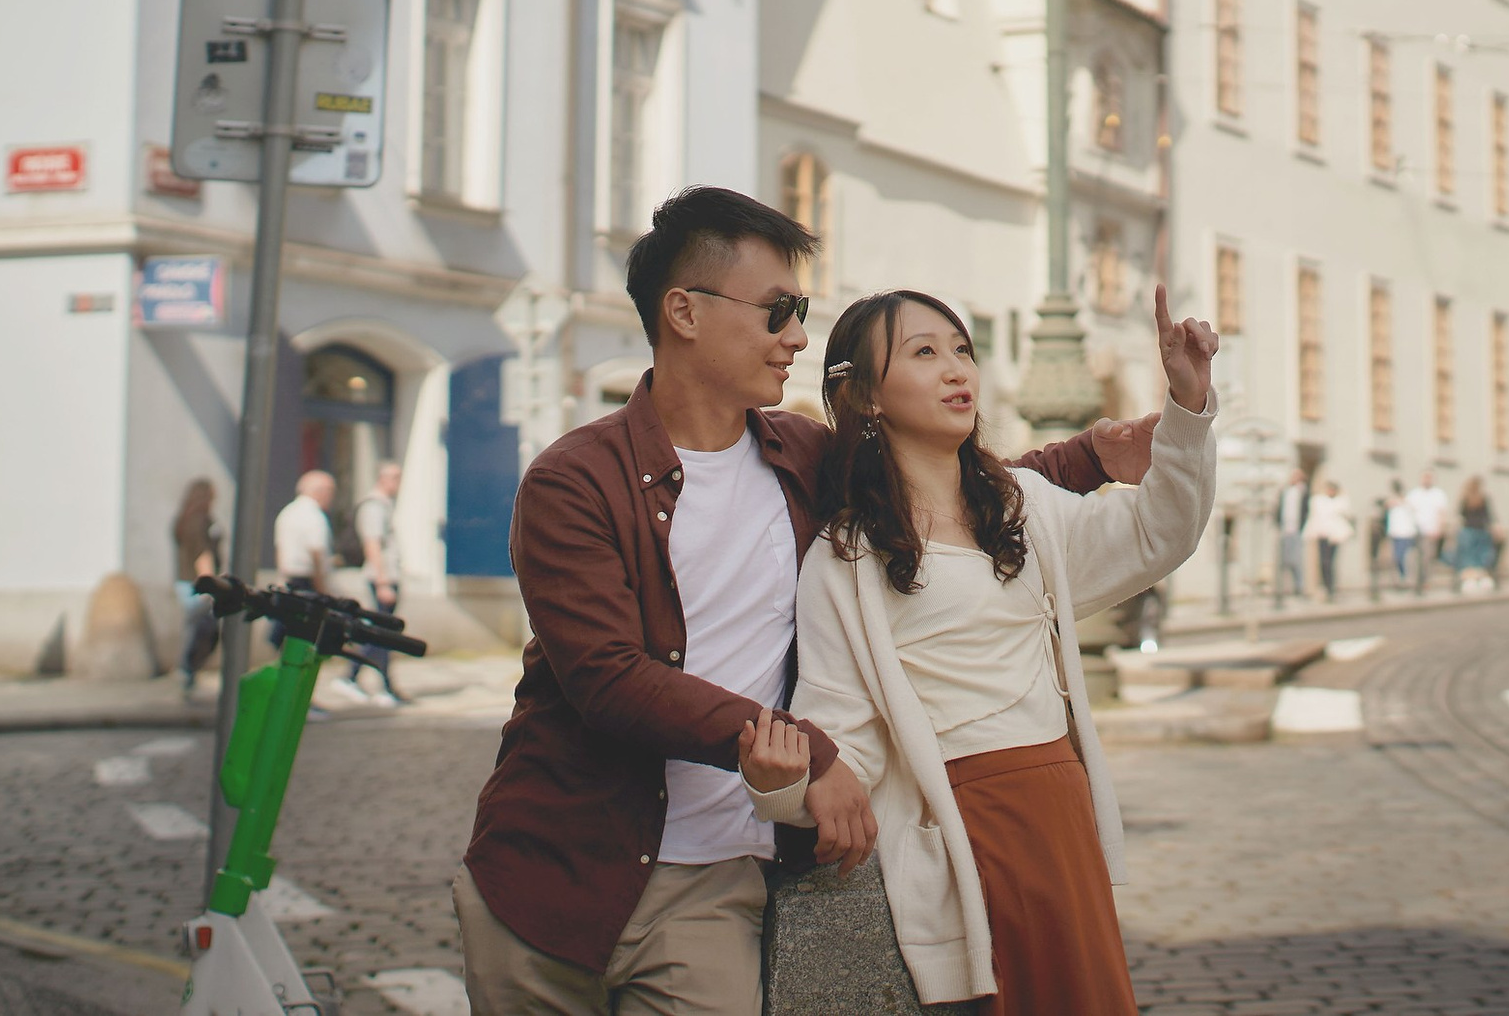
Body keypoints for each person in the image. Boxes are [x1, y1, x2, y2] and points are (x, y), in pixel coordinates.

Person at [453, 187, 1158, 1016]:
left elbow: (938, 486)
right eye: (777, 310)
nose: (796, 336)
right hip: (555, 873)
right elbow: (607, 677)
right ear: (683, 311)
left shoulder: (805, 455)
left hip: (715, 882)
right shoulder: (575, 480)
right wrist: (808, 752)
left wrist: (1087, 456)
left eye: (802, 309)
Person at [739, 284, 1217, 1014]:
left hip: (1059, 814)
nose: (956, 369)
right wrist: (784, 783)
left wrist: (1187, 407)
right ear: (865, 396)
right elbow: (847, 744)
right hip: (959, 834)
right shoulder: (846, 559)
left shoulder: (1027, 508)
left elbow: (1161, 532)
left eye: (962, 349)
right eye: (924, 353)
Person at [342, 460, 406, 706]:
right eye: (394, 477)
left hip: (387, 577)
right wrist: (382, 582)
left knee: (382, 633)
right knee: (379, 634)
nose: (398, 483)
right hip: (382, 578)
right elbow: (372, 544)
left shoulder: (385, 505)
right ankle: (356, 678)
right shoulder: (374, 507)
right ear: (382, 478)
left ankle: (383, 684)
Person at [270, 469, 335, 651]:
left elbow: (280, 547)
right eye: (330, 491)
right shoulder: (314, 516)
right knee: (303, 634)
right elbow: (317, 552)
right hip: (306, 579)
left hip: (288, 577)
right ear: (320, 491)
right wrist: (322, 587)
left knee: (286, 628)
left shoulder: (288, 512)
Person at [172, 479, 222, 696]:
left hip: (185, 581)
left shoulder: (184, 519)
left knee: (197, 627)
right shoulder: (200, 520)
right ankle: (187, 670)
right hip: (197, 583)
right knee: (203, 629)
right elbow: (203, 554)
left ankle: (188, 672)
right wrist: (210, 584)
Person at [1305, 478, 1354, 602]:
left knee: (1330, 562)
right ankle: (1326, 585)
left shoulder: (1340, 502)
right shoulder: (1319, 501)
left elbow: (1346, 515)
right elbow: (1315, 517)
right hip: (1323, 534)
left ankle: (1330, 586)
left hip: (1335, 536)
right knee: (1323, 562)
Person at [1403, 471, 1451, 594]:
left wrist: (1439, 528)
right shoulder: (1414, 494)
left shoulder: (1438, 494)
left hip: (1430, 530)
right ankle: (1412, 581)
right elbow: (1406, 509)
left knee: (1427, 558)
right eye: (1424, 477)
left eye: (1429, 477)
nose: (1426, 480)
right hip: (1414, 530)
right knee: (1412, 556)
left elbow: (1442, 512)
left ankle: (1424, 581)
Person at [1451, 476, 1495, 591]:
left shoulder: (1468, 498)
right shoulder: (1480, 498)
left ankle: (1471, 579)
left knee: (1471, 558)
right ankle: (1477, 579)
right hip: (1478, 530)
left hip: (1470, 530)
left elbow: (1461, 515)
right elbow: (1488, 516)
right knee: (1478, 557)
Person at [1275, 467, 1310, 602]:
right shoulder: (1286, 491)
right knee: (1284, 561)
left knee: (1296, 561)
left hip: (1297, 530)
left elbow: (1306, 510)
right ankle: (1283, 588)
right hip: (1285, 529)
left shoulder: (1303, 491)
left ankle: (1299, 587)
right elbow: (1280, 507)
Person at [1383, 479, 1418, 589]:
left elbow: (1414, 510)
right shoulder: (1391, 502)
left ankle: (1405, 577)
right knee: (1396, 557)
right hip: (1395, 533)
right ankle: (1400, 579)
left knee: (1401, 556)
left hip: (1406, 533)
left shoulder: (1408, 500)